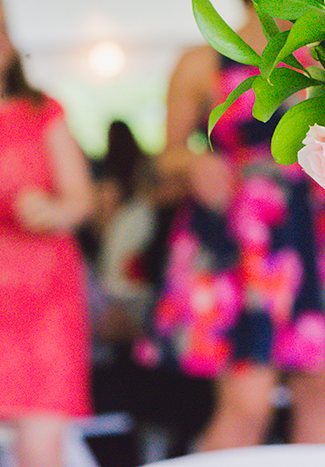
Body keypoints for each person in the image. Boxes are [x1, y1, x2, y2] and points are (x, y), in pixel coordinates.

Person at [138, 0, 325, 453]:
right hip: (245, 243)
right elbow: (164, 160)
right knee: (248, 402)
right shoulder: (201, 59)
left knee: (319, 392)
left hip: (316, 232)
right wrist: (195, 163)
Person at [0, 4, 94, 467]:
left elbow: (81, 200)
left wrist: (49, 210)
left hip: (43, 303)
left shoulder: (42, 111)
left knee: (41, 449)